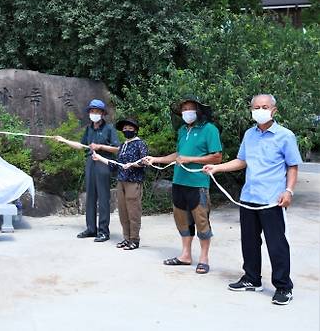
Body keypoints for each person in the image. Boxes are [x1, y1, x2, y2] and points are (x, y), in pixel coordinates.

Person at [203, 94, 301, 305]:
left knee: (276, 244)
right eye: (256, 107)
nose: (260, 110)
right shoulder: (250, 134)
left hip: (272, 199)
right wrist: (217, 167)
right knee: (249, 241)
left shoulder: (285, 135)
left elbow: (292, 166)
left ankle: (283, 286)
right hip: (249, 197)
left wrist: (289, 191)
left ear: (274, 110)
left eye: (264, 106)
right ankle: (252, 279)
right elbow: (242, 161)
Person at [143, 95, 222, 274]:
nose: (186, 112)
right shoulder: (182, 131)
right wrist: (156, 159)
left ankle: (204, 258)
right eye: (184, 109)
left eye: (189, 108)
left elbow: (217, 157)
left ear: (198, 110)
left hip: (198, 183)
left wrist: (190, 159)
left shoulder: (209, 129)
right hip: (179, 182)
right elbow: (178, 154)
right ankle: (185, 255)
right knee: (181, 220)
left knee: (201, 221)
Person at [56, 99, 119, 242]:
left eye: (97, 111)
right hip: (90, 163)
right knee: (90, 197)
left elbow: (117, 148)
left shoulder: (109, 128)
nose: (94, 114)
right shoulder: (88, 128)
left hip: (103, 163)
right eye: (92, 111)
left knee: (103, 198)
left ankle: (103, 231)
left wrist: (100, 147)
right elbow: (81, 146)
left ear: (102, 113)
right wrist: (63, 140)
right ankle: (91, 229)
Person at [92, 118, 148, 250]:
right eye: (125, 128)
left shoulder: (140, 144)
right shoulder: (123, 145)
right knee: (123, 211)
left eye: (130, 128)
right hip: (121, 181)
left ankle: (134, 239)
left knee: (133, 211)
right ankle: (126, 238)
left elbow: (145, 161)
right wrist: (99, 158)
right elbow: (116, 164)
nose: (127, 130)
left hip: (133, 182)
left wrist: (133, 164)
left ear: (135, 129)